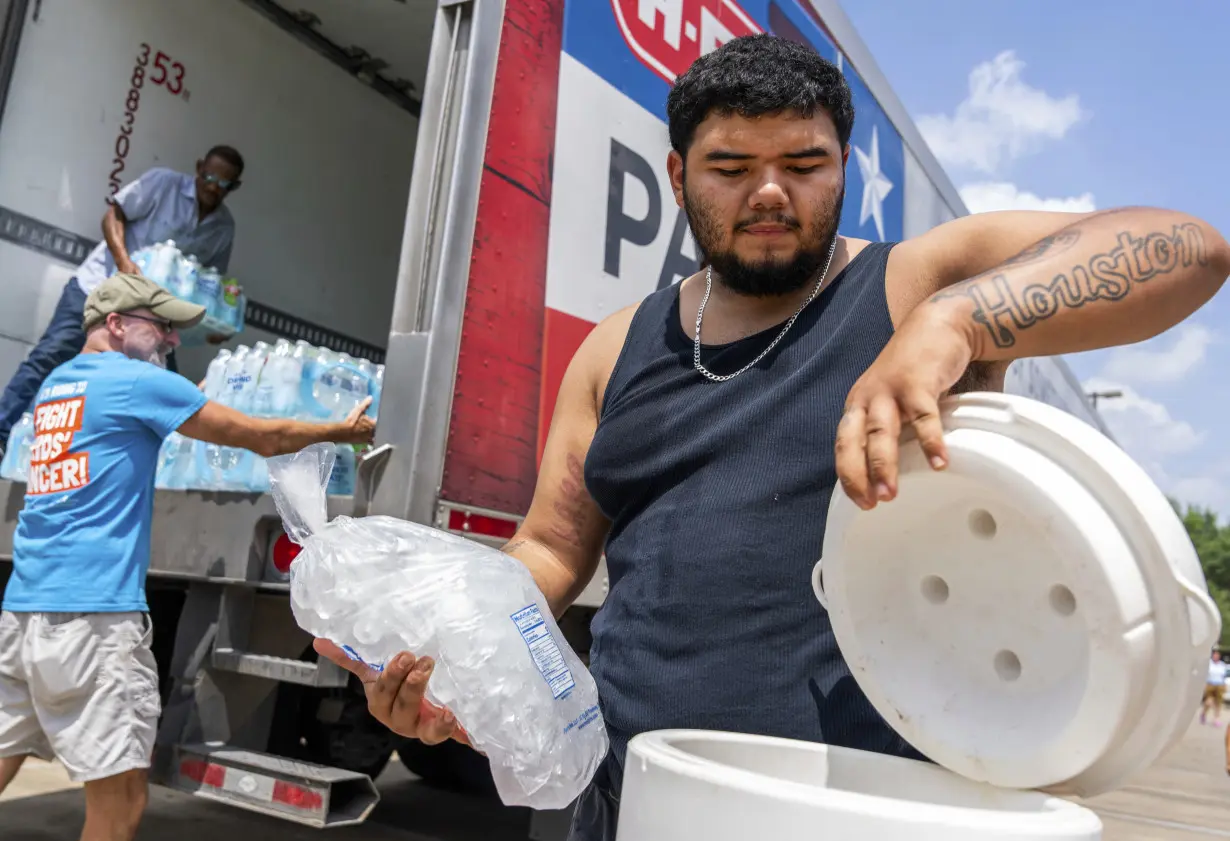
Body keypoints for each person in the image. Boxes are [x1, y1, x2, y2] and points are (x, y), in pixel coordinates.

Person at [316, 34, 1230, 840]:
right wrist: (451, 656)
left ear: (843, 165)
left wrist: (962, 319)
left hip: (856, 807)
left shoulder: (909, 286)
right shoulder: (614, 349)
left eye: (804, 162)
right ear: (677, 177)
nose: (768, 193)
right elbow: (551, 550)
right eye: (728, 167)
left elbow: (1187, 248)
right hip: (627, 797)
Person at [0, 272, 374, 841]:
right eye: (162, 327)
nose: (171, 341)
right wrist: (344, 430)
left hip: (22, 614)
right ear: (117, 325)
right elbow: (262, 436)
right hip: (92, 622)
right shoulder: (134, 382)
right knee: (120, 802)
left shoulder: (58, 385)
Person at [0, 146, 245, 456]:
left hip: (145, 318)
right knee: (51, 356)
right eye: (209, 177)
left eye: (224, 183)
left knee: (160, 384)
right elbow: (113, 215)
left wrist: (208, 329)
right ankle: (2, 433)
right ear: (198, 168)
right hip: (96, 289)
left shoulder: (223, 227)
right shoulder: (162, 184)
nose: (213, 187)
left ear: (234, 186)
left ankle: (149, 464)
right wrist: (123, 261)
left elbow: (206, 283)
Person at [1203, 650, 1226, 725]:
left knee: (1218, 703)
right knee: (1209, 702)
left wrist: (1224, 685)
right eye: (1214, 655)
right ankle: (1203, 713)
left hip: (1219, 685)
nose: (1216, 656)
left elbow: (1223, 676)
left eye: (1217, 655)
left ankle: (1216, 719)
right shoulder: (1209, 664)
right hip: (1210, 684)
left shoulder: (1222, 665)